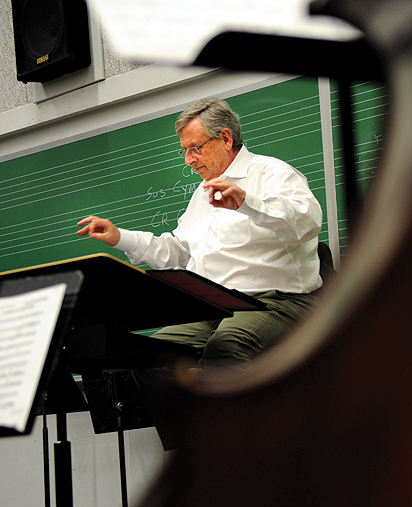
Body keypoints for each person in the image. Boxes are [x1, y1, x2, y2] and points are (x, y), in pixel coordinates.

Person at [77, 97, 323, 367]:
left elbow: (306, 223)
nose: (188, 160)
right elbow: (181, 254)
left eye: (195, 148)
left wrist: (248, 203)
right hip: (214, 306)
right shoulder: (202, 192)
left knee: (225, 348)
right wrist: (119, 236)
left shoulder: (273, 173)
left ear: (226, 139)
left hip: (275, 301)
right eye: (184, 150)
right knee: (148, 354)